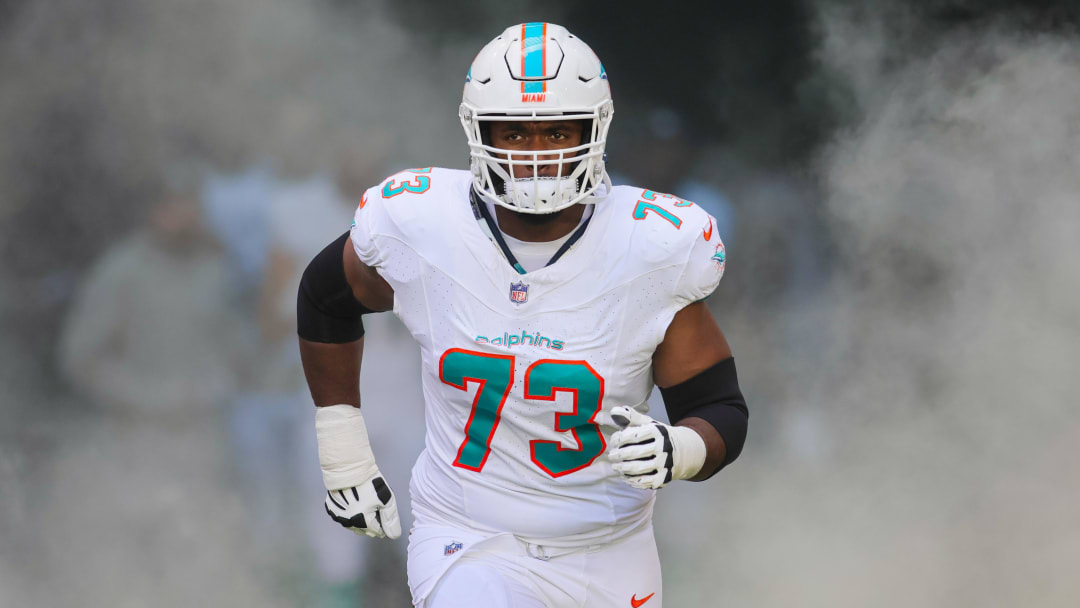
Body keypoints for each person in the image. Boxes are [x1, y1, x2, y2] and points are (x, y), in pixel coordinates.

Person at [296, 23, 749, 607]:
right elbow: (326, 295)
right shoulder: (423, 225)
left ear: (596, 129)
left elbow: (719, 408)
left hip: (608, 551)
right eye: (514, 132)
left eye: (558, 131)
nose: (538, 155)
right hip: (470, 538)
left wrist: (680, 449)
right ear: (477, 132)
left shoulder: (649, 249)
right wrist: (343, 452)